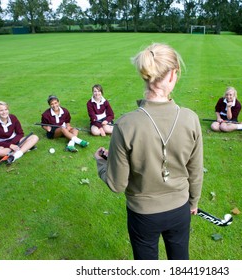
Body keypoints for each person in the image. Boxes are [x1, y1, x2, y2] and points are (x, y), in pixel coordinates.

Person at [94, 43, 204, 260]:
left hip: (143, 215)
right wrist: (194, 202)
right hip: (180, 209)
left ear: (145, 75)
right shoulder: (190, 119)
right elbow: (196, 171)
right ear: (173, 75)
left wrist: (101, 163)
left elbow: (117, 184)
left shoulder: (126, 125)